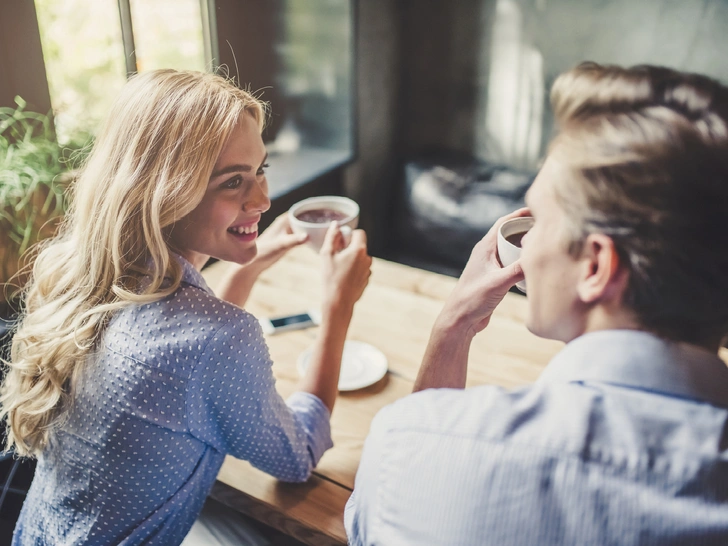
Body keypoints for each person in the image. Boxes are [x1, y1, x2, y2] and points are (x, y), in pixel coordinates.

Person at [345, 62, 728, 545]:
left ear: (595, 267)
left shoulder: (415, 445)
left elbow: (370, 521)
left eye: (539, 219)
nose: (528, 240)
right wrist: (456, 324)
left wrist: (450, 326)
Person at [0, 69, 372, 545]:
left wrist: (246, 270)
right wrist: (338, 307)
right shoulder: (217, 338)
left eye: (261, 169)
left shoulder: (78, 273)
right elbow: (296, 455)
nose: (263, 198)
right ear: (165, 193)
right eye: (233, 182)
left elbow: (180, 357)